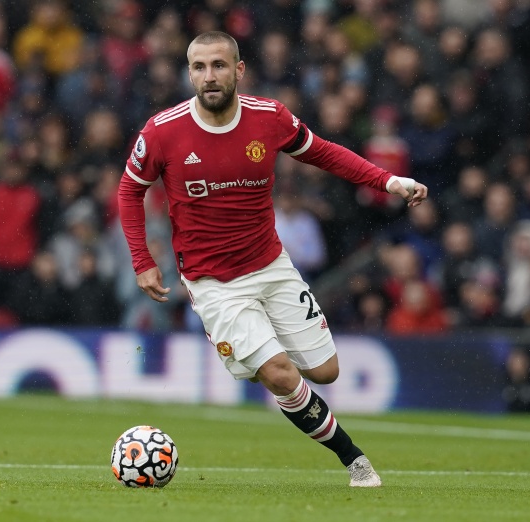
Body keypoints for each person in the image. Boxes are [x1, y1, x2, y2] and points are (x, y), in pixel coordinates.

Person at [117, 31, 428, 488]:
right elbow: (130, 190)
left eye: (219, 65)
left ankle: (258, 361)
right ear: (189, 73)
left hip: (271, 265)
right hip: (213, 282)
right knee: (281, 374)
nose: (209, 76)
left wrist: (387, 181)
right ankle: (355, 460)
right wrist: (142, 259)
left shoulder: (269, 117)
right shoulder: (163, 130)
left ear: (239, 70)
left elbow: (324, 153)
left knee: (325, 372)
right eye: (199, 67)